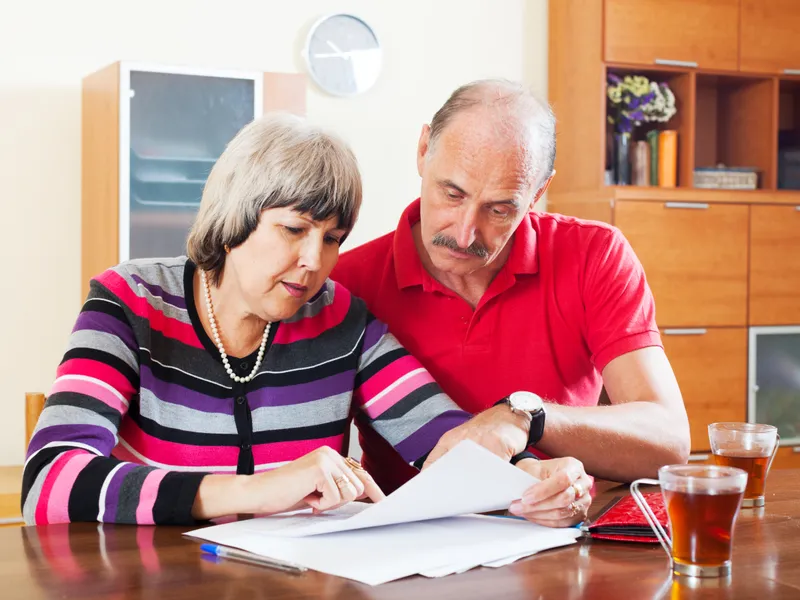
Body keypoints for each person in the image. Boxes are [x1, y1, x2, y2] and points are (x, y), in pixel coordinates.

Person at [22, 113, 586, 527]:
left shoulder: (341, 319)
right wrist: (255, 491)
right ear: (235, 215)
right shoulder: (130, 302)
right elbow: (50, 479)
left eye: (333, 239)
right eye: (293, 230)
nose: (314, 262)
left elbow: (442, 438)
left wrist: (532, 480)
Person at [331, 79, 691, 519]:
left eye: (499, 209)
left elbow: (669, 442)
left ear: (538, 193)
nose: (464, 234)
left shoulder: (595, 255)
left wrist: (525, 416)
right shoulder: (345, 282)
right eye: (452, 193)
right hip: (406, 549)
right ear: (424, 150)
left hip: (555, 541)